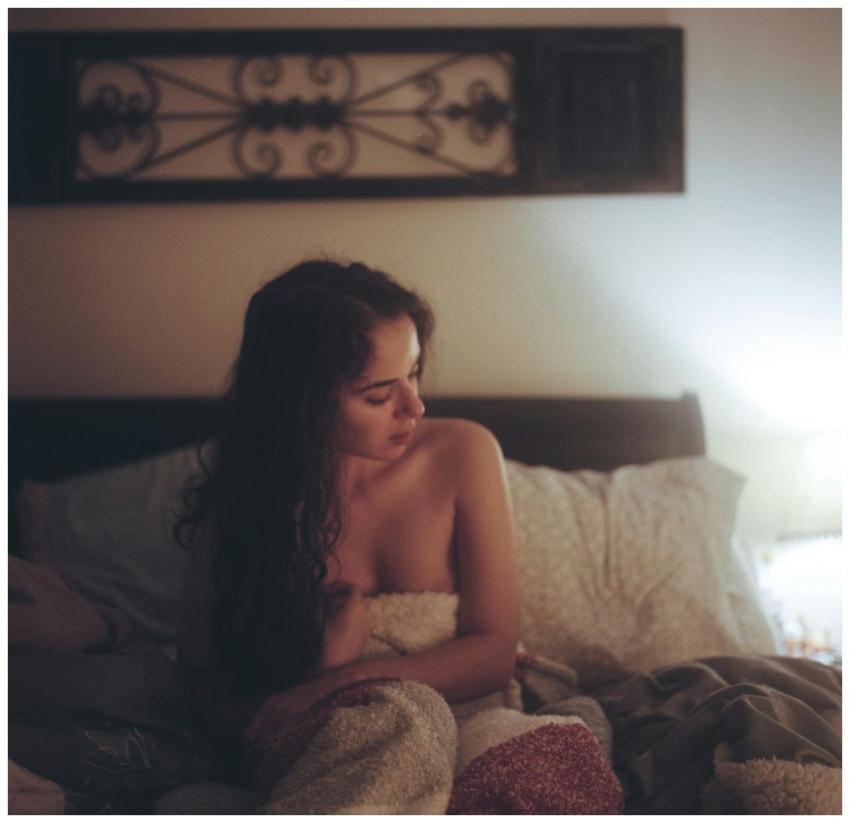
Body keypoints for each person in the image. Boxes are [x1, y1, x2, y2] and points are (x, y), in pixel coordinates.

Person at [175, 259, 520, 757]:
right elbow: (206, 706)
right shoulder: (240, 512)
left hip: (466, 733)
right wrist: (320, 677)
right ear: (302, 402)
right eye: (379, 395)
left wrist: (337, 681)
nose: (414, 407)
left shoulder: (463, 453)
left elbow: (494, 655)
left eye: (414, 374)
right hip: (328, 751)